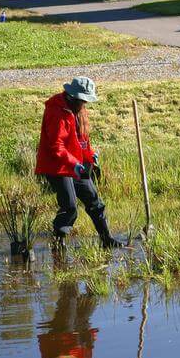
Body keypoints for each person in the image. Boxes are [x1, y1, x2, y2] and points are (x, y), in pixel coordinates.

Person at [35, 77, 121, 249]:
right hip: (57, 166)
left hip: (76, 164)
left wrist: (90, 155)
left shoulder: (79, 109)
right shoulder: (56, 111)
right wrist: (74, 163)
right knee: (70, 207)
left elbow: (82, 140)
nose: (85, 104)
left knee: (95, 202)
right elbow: (56, 146)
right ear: (72, 97)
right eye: (83, 100)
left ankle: (106, 239)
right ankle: (58, 245)